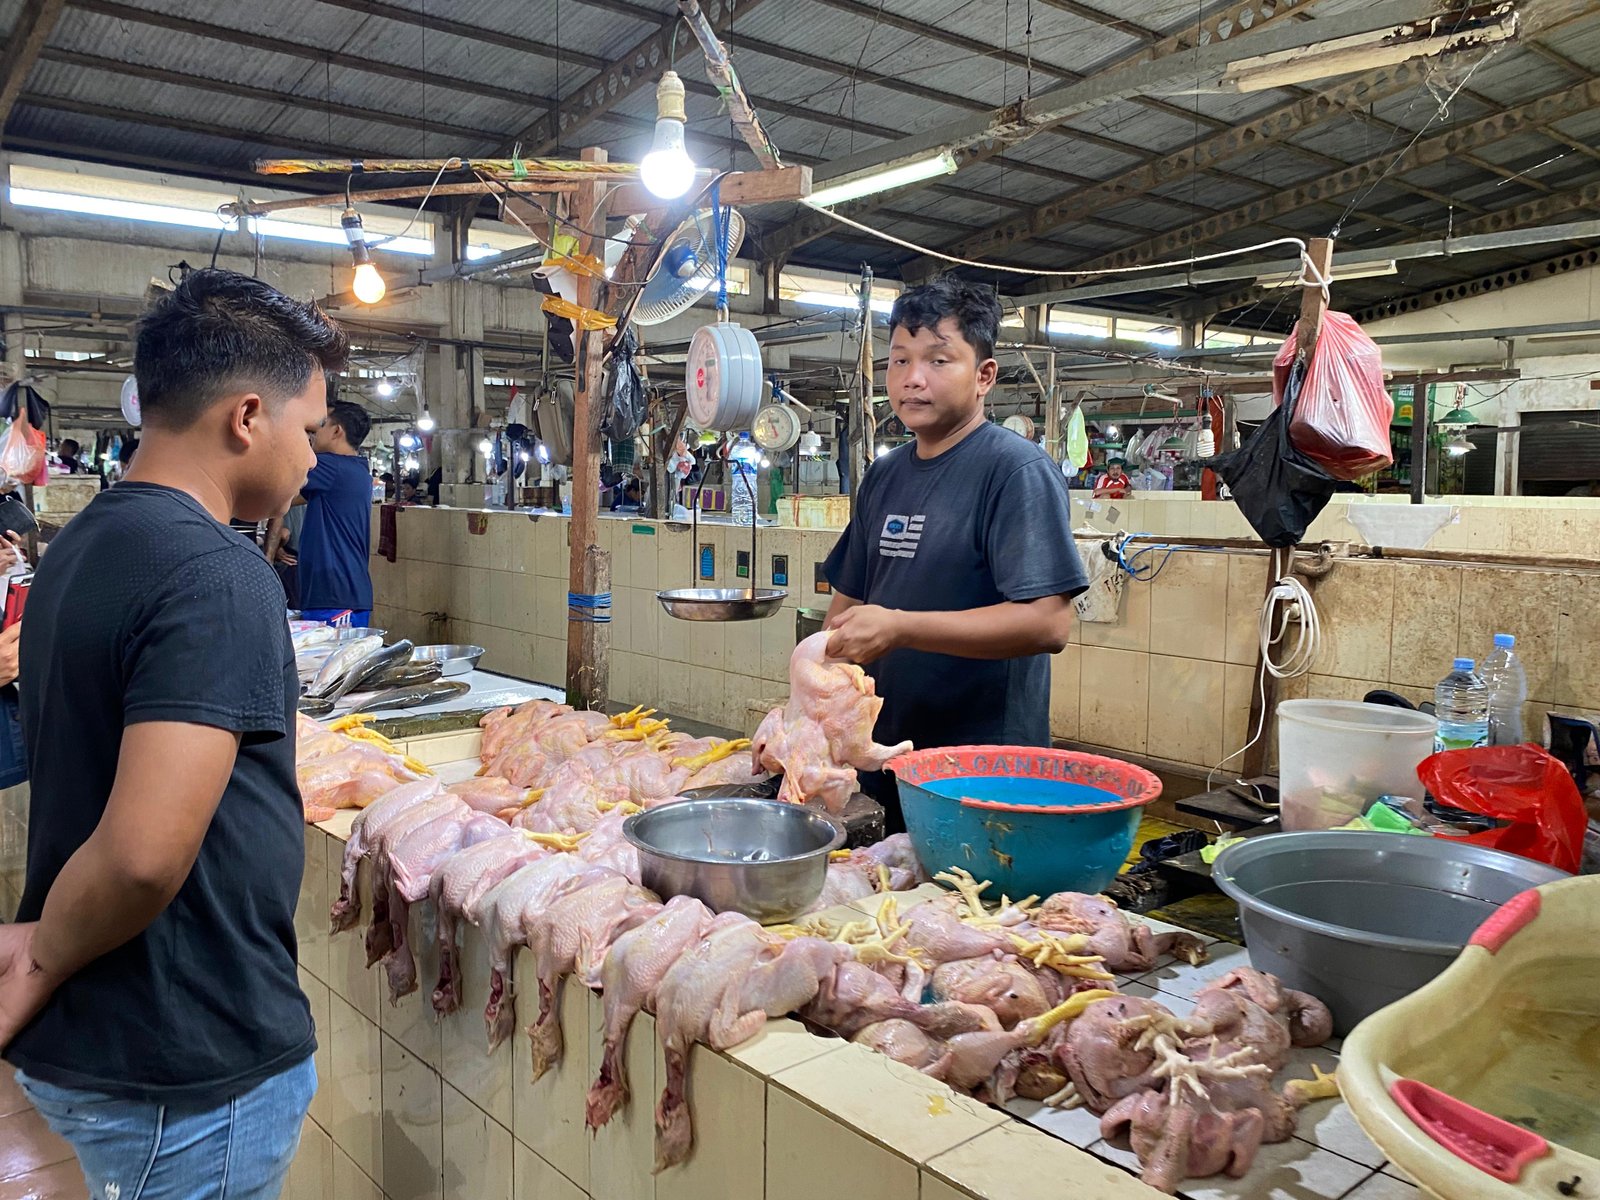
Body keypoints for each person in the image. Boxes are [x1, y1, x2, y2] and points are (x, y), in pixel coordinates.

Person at [0, 268, 346, 1198]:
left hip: (120, 1034)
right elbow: (144, 855)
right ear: (245, 418)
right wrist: (39, 955)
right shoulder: (215, 574)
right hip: (188, 1058)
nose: (314, 460)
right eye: (306, 430)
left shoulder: (81, 544)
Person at [821, 276, 1088, 830]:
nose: (913, 379)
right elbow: (845, 609)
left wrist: (900, 627)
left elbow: (1048, 624)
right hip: (883, 757)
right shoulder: (885, 474)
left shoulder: (1014, 471)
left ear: (984, 375)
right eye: (898, 361)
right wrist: (814, 712)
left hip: (978, 771)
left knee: (970, 908)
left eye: (939, 361)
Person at [274, 399, 373, 628]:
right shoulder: (350, 470)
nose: (313, 433)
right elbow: (283, 498)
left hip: (336, 593)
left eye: (320, 425)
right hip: (334, 593)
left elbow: (277, 475)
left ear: (337, 431)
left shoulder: (332, 466)